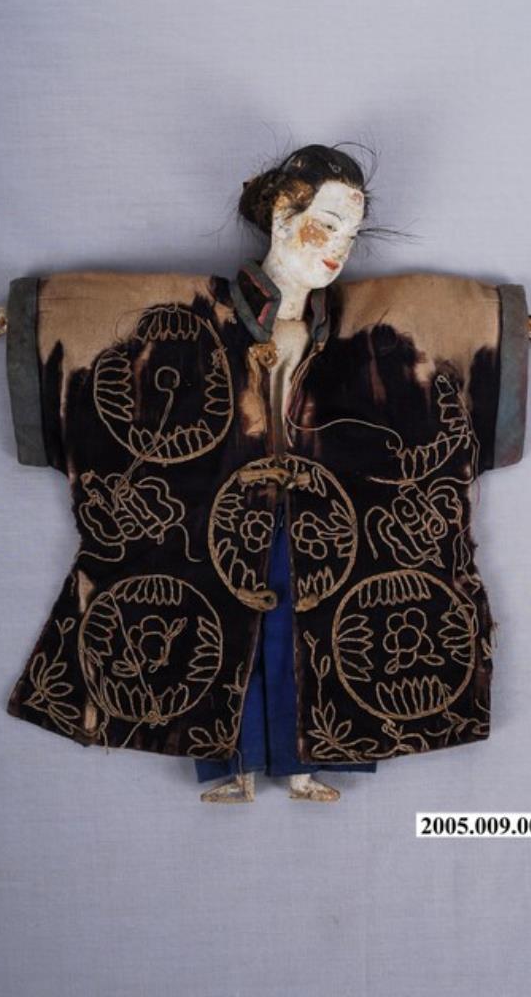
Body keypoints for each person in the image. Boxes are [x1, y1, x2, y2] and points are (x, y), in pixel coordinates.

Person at [195, 144, 383, 802]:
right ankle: (233, 766)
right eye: (326, 225)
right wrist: (37, 321)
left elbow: (435, 312)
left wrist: (510, 323)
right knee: (223, 625)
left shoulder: (341, 322)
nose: (338, 250)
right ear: (282, 212)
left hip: (315, 500)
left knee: (310, 629)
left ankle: (304, 763)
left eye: (351, 236)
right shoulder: (212, 308)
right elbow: (115, 310)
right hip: (224, 494)